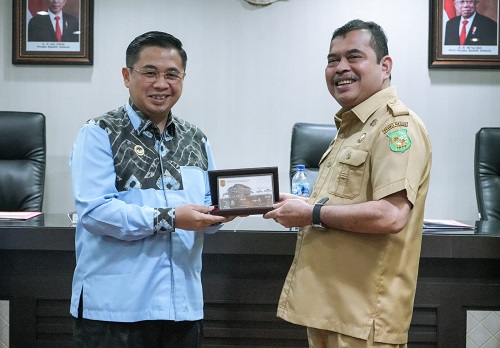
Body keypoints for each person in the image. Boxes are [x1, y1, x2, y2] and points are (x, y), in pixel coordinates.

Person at [264, 19, 432, 348]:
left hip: (363, 318)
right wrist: (299, 207)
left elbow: (390, 215)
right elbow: (340, 205)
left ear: (385, 66)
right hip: (331, 311)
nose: (341, 68)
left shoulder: (395, 127)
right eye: (332, 59)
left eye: (354, 56)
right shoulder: (352, 128)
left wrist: (311, 213)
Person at [69, 31, 231, 347]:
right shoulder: (100, 132)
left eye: (172, 74)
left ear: (183, 78)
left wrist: (230, 210)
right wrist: (170, 218)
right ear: (127, 76)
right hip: (115, 312)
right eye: (150, 73)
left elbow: (210, 205)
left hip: (181, 308)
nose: (161, 84)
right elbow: (95, 213)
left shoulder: (196, 139)